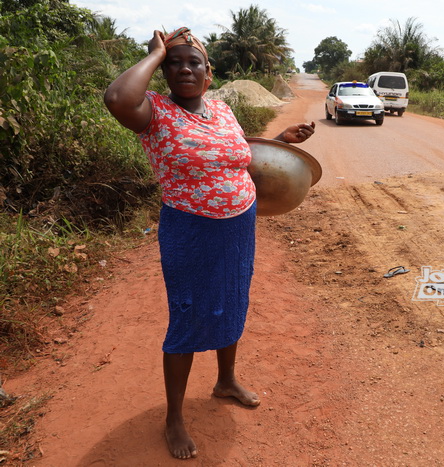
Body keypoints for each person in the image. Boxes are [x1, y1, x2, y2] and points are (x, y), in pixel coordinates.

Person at [103, 27, 315, 460]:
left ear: (208, 74)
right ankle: (174, 419)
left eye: (192, 61)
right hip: (190, 230)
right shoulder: (154, 113)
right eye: (173, 62)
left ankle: (225, 380)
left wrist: (280, 142)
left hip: (238, 226)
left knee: (233, 300)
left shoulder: (222, 110)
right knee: (187, 315)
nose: (184, 68)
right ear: (162, 72)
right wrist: (156, 52)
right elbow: (116, 99)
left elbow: (237, 157)